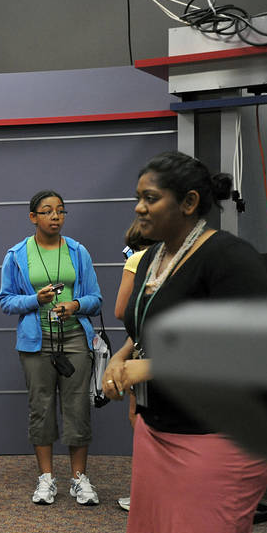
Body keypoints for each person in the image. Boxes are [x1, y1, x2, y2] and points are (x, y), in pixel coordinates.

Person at [103, 151, 267, 533]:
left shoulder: (228, 256)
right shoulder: (156, 256)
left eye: (150, 198)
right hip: (162, 433)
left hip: (220, 438)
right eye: (139, 197)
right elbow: (149, 322)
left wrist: (151, 368)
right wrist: (125, 352)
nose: (139, 207)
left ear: (190, 202)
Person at [0, 190, 103, 506]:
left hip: (73, 339)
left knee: (77, 408)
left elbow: (96, 298)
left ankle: (78, 479)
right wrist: (35, 300)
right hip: (36, 342)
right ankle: (46, 479)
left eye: (60, 211)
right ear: (33, 217)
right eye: (47, 211)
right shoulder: (17, 254)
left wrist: (74, 304)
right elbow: (5, 300)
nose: (55, 216)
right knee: (40, 408)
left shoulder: (77, 251)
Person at [113, 218, 154, 512]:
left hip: (148, 353)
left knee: (140, 419)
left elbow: (120, 311)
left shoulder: (138, 260)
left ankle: (147, 493)